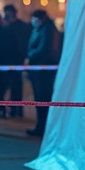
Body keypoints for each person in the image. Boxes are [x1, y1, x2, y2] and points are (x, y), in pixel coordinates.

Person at [26, 9, 61, 137]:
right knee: (40, 99)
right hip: (39, 69)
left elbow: (44, 49)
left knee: (42, 99)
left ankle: (42, 127)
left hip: (42, 70)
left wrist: (30, 56)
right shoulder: (43, 28)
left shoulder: (47, 30)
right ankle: (41, 126)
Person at [2, 5, 31, 118]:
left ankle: (16, 110)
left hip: (15, 60)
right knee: (11, 86)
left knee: (15, 86)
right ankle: (14, 109)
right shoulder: (9, 26)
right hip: (10, 60)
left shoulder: (16, 26)